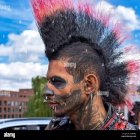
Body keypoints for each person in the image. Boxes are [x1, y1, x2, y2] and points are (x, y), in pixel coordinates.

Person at [30, 0, 139, 130]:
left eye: (57, 81)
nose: (46, 92)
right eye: (48, 81)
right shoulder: (55, 127)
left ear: (89, 85)